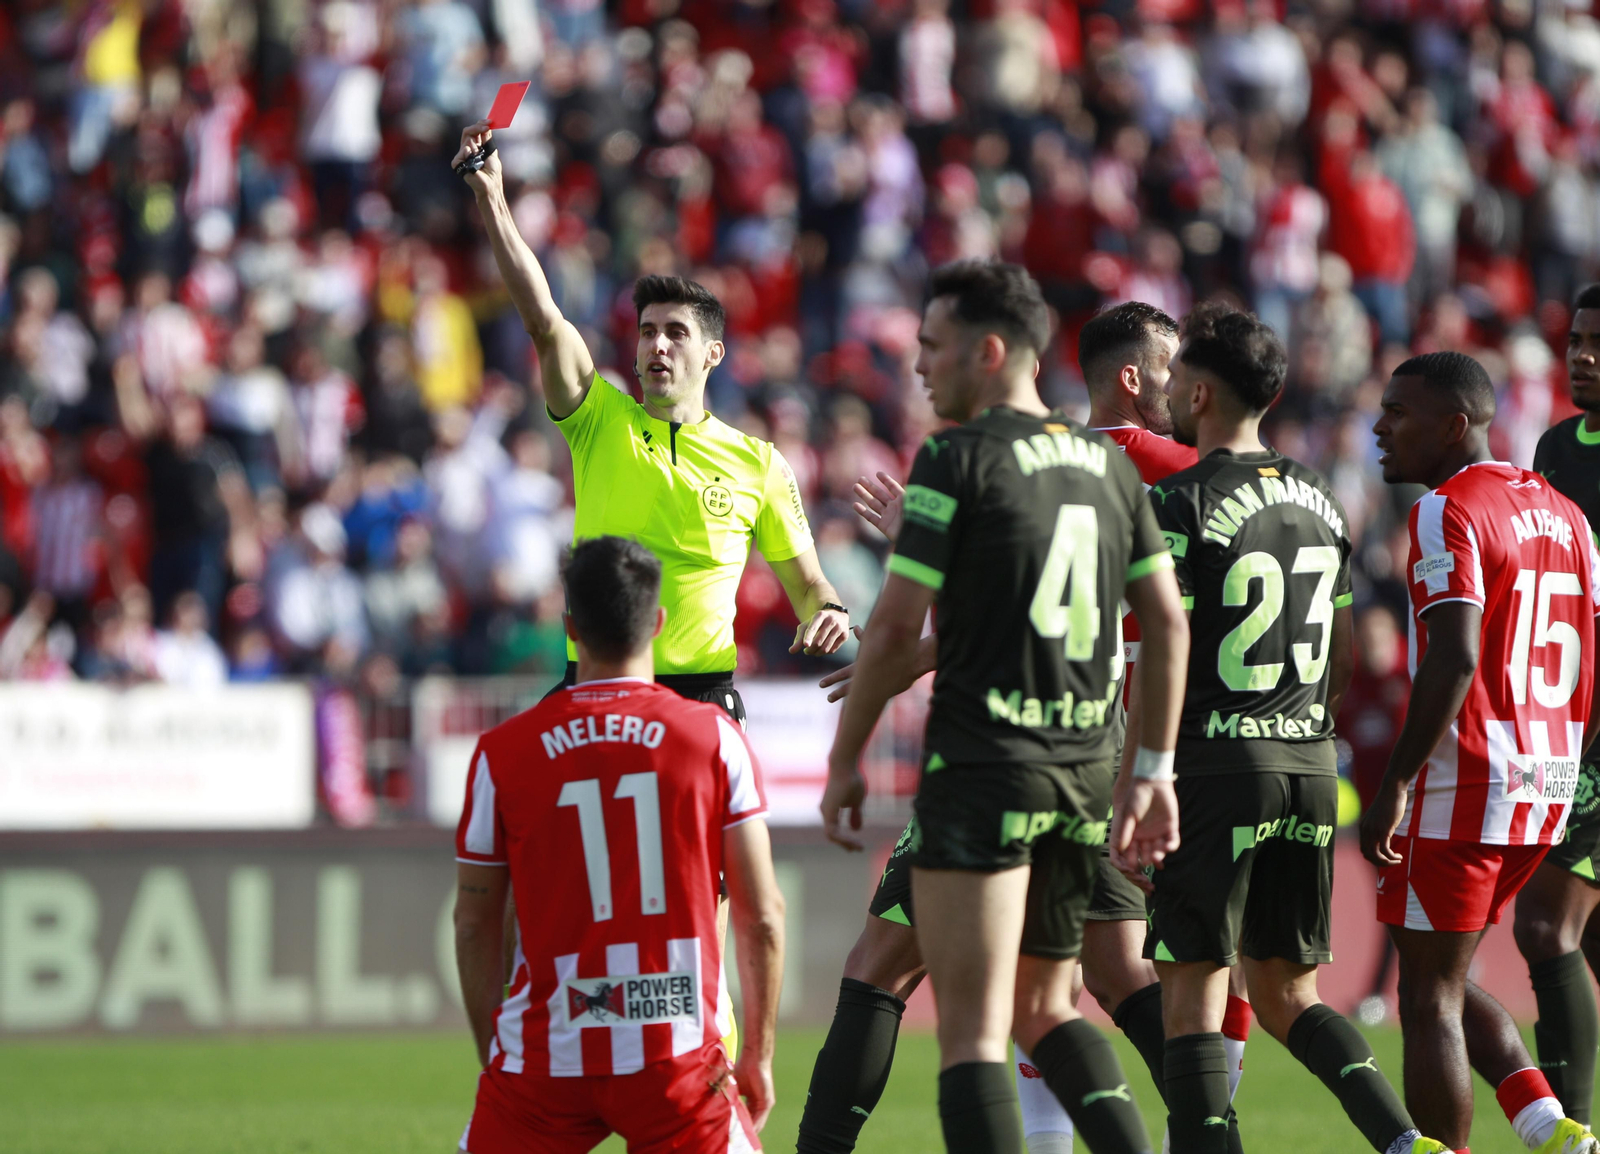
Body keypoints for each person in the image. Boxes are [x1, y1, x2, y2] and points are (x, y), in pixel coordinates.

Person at [796, 300, 1216, 1154]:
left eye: (932, 351)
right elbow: (1165, 623)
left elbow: (909, 625)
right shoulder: (1133, 473)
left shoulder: (965, 462)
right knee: (1079, 988)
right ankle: (1211, 1134)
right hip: (1095, 759)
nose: (918, 370)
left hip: (988, 759)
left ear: (989, 355)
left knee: (901, 977)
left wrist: (855, 743)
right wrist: (1155, 768)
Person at [1142, 303, 1442, 1154]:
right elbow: (1343, 659)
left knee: (1195, 994)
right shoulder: (1320, 494)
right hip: (1311, 763)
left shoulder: (1178, 503)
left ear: (1199, 392)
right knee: (1287, 994)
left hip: (1214, 766)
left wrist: (1146, 773)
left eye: (1174, 378)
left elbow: (1166, 649)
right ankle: (1401, 1142)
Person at [453, 117, 850, 712]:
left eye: (675, 333)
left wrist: (831, 615)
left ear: (714, 353)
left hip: (702, 702)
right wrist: (494, 200)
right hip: (596, 690)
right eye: (646, 333)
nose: (657, 345)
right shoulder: (598, 420)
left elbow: (809, 586)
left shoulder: (760, 464)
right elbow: (542, 316)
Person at [452, 536, 786, 1153]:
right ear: (657, 622)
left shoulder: (502, 754)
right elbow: (762, 916)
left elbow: (475, 925)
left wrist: (494, 1055)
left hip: (544, 1062)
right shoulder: (713, 739)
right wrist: (759, 1055)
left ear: (569, 628)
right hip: (676, 1059)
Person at [1365, 351, 1600, 1154]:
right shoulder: (1569, 514)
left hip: (1468, 778)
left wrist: (1396, 779)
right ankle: (1551, 1127)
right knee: (1447, 970)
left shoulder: (1447, 508)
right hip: (1548, 783)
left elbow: (1455, 654)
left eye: (1398, 412)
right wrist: (1568, 753)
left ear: (1454, 425)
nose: (1378, 426)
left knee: (1426, 993)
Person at [1515, 285, 1600, 1130]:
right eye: (1577, 339)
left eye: (1598, 344)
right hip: (1565, 722)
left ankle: (1569, 1132)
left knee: (1545, 927)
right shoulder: (1555, 448)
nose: (1583, 354)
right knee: (1587, 936)